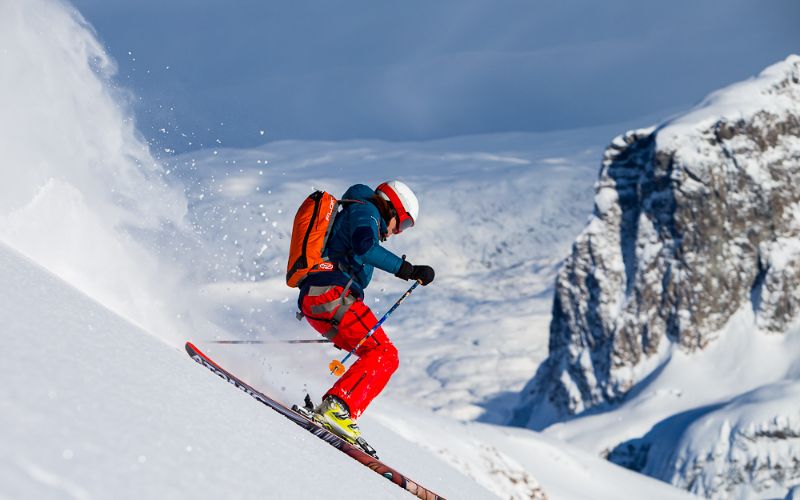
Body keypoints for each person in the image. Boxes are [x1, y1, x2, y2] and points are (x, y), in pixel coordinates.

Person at [296, 180, 435, 443]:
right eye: (404, 224)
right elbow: (365, 247)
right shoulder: (366, 211)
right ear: (393, 207)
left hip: (316, 299)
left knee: (374, 352)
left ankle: (336, 408)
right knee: (385, 354)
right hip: (332, 296)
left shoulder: (358, 211)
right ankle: (337, 408)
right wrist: (409, 270)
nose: (398, 233)